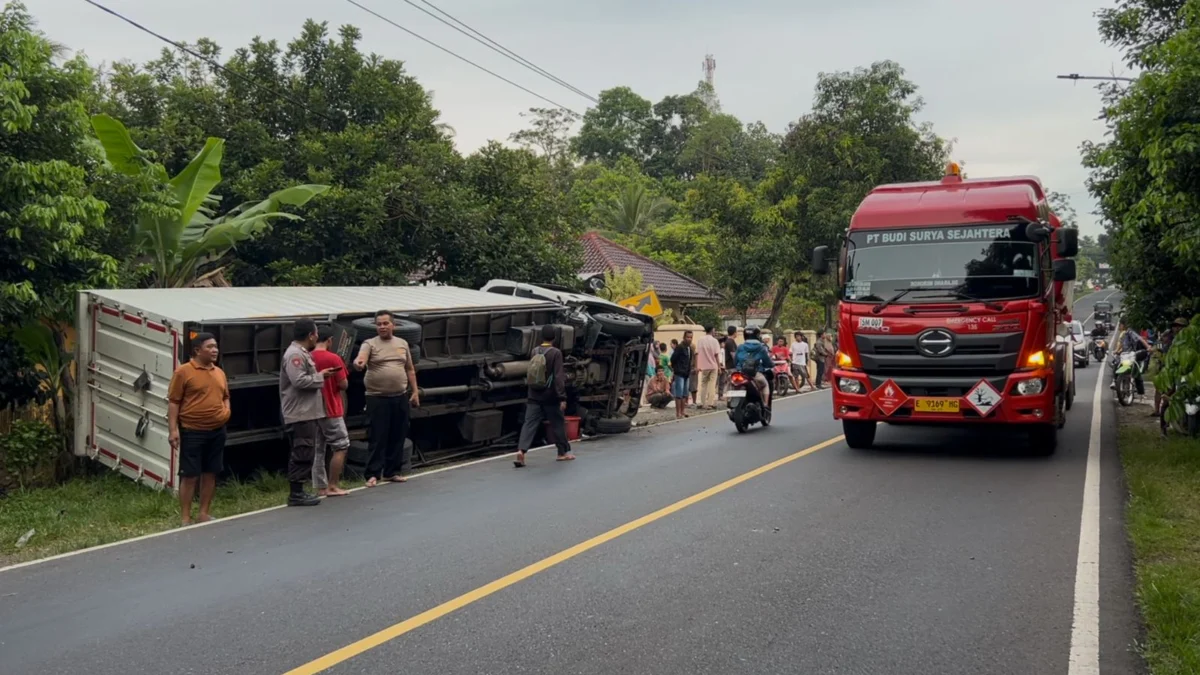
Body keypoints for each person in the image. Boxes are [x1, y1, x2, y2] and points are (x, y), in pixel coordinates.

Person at [167, 332, 229, 525]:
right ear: (197, 350)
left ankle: (203, 513)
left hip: (217, 430)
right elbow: (174, 402)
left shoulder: (219, 372)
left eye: (216, 347)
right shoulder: (183, 372)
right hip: (192, 430)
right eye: (209, 347)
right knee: (190, 475)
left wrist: (227, 410)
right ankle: (185, 517)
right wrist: (173, 430)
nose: (214, 350)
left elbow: (225, 395)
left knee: (211, 472)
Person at [354, 310, 420, 488]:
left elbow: (410, 369)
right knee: (378, 436)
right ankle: (373, 474)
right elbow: (361, 358)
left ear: (393, 325)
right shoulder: (370, 343)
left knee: (398, 434)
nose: (382, 327)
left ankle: (392, 472)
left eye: (385, 323)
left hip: (400, 396)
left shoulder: (402, 343)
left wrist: (414, 392)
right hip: (377, 397)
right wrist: (358, 363)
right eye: (379, 324)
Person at [281, 319, 337, 507]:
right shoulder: (295, 355)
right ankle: (295, 493)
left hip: (306, 411)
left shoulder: (302, 353)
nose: (317, 337)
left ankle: (300, 490)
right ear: (311, 335)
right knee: (302, 451)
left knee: (307, 451)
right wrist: (320, 377)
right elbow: (299, 381)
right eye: (316, 334)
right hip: (299, 412)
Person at [514, 325, 574, 467]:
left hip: (534, 394)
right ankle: (562, 453)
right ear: (554, 338)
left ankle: (521, 451)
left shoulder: (535, 351)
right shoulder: (556, 353)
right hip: (550, 396)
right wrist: (562, 397)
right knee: (558, 423)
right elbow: (559, 377)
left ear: (542, 337)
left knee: (529, 424)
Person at [311, 327, 350, 497]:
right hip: (331, 407)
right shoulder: (334, 358)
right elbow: (343, 384)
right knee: (341, 445)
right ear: (330, 341)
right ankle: (333, 485)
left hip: (312, 409)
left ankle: (320, 487)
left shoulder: (307, 357)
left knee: (318, 448)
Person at [734, 326, 775, 408]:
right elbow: (768, 363)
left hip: (741, 374)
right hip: (755, 374)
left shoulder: (740, 347)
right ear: (758, 335)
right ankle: (766, 405)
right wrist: (771, 364)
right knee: (765, 385)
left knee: (731, 382)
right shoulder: (761, 348)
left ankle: (729, 401)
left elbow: (735, 361)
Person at [1112, 319, 1151, 396]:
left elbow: (1140, 339)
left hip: (1132, 355)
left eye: (1120, 325)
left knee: (1136, 371)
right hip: (1125, 355)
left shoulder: (1130, 332)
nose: (1119, 327)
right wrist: (1117, 351)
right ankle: (1115, 381)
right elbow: (1123, 346)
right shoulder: (1122, 334)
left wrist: (1148, 347)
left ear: (1123, 325)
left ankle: (1141, 392)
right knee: (1116, 364)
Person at [696, 326, 723, 409]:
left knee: (703, 384)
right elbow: (716, 355)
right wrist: (719, 367)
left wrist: (698, 365)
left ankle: (702, 402)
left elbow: (697, 353)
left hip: (703, 366)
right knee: (712, 384)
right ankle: (710, 403)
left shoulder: (700, 340)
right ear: (712, 330)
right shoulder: (714, 341)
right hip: (713, 365)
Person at [669, 331, 695, 419]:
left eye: (691, 337)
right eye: (688, 337)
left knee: (685, 394)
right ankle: (678, 413)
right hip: (679, 373)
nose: (689, 339)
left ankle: (683, 411)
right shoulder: (680, 347)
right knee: (679, 394)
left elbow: (689, 361)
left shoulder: (690, 348)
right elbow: (673, 359)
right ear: (684, 337)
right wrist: (676, 368)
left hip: (686, 373)